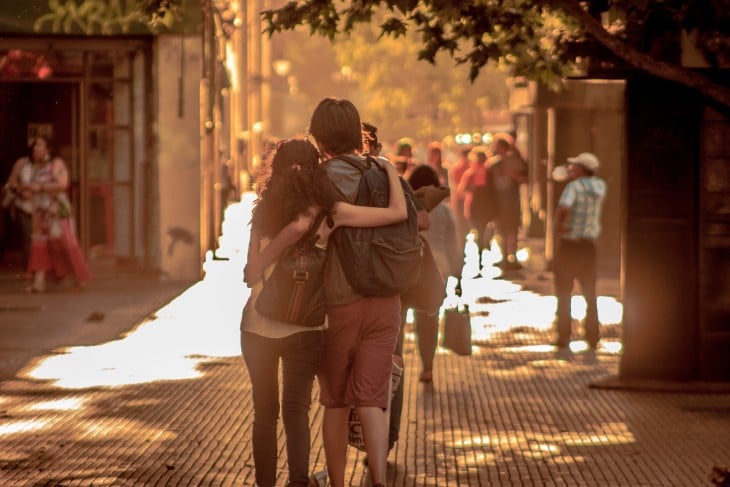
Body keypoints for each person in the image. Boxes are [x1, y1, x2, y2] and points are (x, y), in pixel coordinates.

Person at [241, 137, 407, 487]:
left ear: (276, 169)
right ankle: (299, 482)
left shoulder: (262, 210)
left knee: (264, 413)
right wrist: (390, 170)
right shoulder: (330, 212)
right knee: (296, 411)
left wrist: (262, 261)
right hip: (306, 328)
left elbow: (249, 273)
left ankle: (265, 485)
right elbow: (396, 213)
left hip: (256, 326)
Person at [308, 98, 404, 487]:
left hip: (339, 301)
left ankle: (337, 484)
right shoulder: (382, 171)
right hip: (387, 301)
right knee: (372, 398)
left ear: (318, 135)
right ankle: (378, 481)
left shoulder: (319, 179)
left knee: (336, 400)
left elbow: (312, 238)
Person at [407, 165, 463, 382]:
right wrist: (458, 274)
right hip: (439, 270)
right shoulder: (445, 210)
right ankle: (428, 367)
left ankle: (395, 363)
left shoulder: (407, 205)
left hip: (409, 267)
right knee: (429, 320)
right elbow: (452, 245)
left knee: (399, 320)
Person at [552, 152, 607, 363]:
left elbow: (564, 208)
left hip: (569, 246)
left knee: (564, 293)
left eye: (575, 167)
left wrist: (558, 229)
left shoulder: (573, 187)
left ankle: (563, 337)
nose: (571, 170)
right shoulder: (600, 186)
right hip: (588, 247)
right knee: (589, 293)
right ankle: (592, 336)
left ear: (583, 169)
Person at [24, 136, 91, 293]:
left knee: (64, 244)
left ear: (48, 149)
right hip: (41, 211)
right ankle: (38, 282)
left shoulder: (56, 164)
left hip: (56, 211)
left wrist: (40, 187)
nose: (35, 148)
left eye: (39, 145)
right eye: (34, 145)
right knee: (39, 245)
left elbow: (62, 184)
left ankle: (79, 279)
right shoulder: (35, 167)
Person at [488, 133, 528, 270]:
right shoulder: (493, 163)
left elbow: (525, 179)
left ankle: (513, 257)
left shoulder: (515, 161)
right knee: (501, 230)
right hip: (498, 203)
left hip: (512, 201)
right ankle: (505, 256)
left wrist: (512, 174)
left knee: (512, 230)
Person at [2, 145, 35, 271]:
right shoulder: (23, 162)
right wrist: (20, 191)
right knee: (28, 237)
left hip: (42, 206)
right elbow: (12, 180)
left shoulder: (50, 164)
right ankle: (29, 267)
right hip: (24, 205)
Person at [457, 146, 491, 257]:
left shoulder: (475, 173)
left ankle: (478, 252)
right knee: (480, 231)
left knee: (478, 231)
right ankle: (479, 251)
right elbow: (462, 190)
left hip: (478, 206)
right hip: (477, 206)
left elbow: (462, 190)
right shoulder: (473, 173)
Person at [447, 147, 471, 252]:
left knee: (468, 225)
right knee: (462, 226)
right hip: (461, 200)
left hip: (470, 200)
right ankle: (462, 248)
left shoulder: (472, 167)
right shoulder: (457, 168)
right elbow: (454, 185)